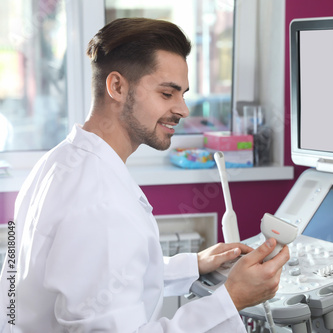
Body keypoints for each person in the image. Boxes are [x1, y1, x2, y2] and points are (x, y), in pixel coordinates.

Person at [0, 18, 290, 332]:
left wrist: (193, 265)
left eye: (183, 95)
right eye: (167, 94)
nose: (183, 109)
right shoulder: (101, 203)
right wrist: (230, 299)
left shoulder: (61, 161)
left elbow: (95, 276)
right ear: (117, 87)